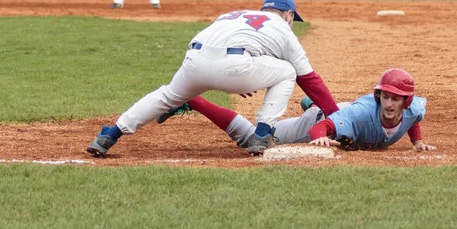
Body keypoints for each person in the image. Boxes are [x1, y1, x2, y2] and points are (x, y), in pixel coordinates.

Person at [87, 0, 339, 157]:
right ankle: (262, 134)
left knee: (166, 96)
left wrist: (243, 74)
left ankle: (110, 134)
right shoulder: (283, 29)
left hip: (195, 59)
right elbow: (309, 80)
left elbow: (231, 47)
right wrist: (337, 116)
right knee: (288, 72)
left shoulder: (233, 15)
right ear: (289, 15)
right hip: (236, 65)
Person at [157, 69, 436, 152]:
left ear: (406, 102)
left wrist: (418, 142)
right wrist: (321, 137)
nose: (389, 104)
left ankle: (311, 106)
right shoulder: (364, 113)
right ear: (378, 95)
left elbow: (413, 119)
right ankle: (192, 99)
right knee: (253, 138)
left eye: (396, 99)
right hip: (324, 121)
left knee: (334, 119)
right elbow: (322, 129)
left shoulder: (414, 109)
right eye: (385, 96)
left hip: (339, 114)